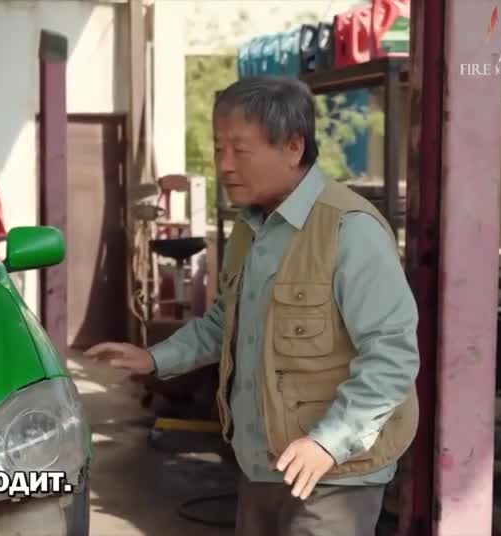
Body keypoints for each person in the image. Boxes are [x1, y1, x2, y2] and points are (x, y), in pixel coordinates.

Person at [88, 76, 419, 536]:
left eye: (240, 150)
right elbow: (226, 322)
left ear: (294, 148)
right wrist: (152, 359)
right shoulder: (251, 228)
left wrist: (328, 443)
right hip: (262, 463)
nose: (224, 165)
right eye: (218, 148)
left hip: (334, 473)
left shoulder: (349, 229)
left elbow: (392, 356)